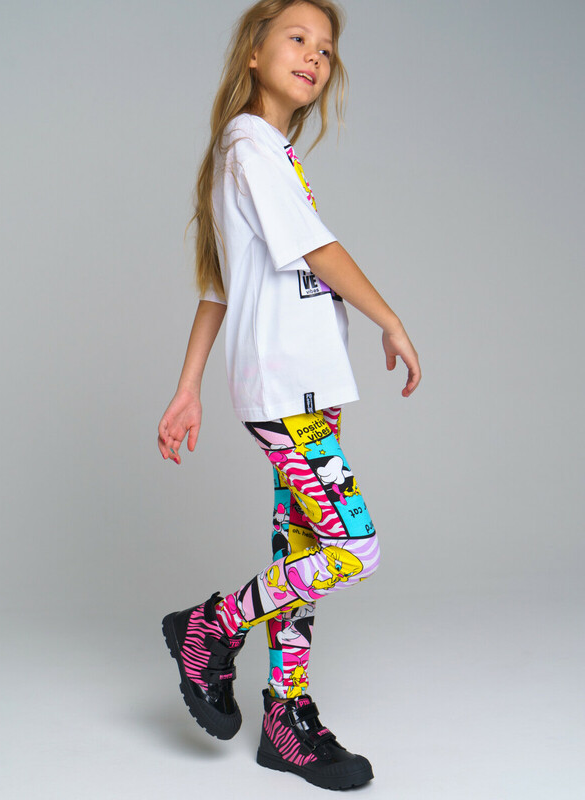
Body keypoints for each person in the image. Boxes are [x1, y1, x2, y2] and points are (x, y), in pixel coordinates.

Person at [157, 0, 421, 790]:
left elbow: (220, 287)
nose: (314, 56)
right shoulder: (250, 144)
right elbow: (316, 248)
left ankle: (286, 718)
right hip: (287, 391)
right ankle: (211, 626)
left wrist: (187, 389)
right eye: (297, 38)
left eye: (326, 49)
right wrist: (390, 318)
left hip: (303, 386)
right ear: (253, 52)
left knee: (303, 549)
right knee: (354, 549)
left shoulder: (265, 153)